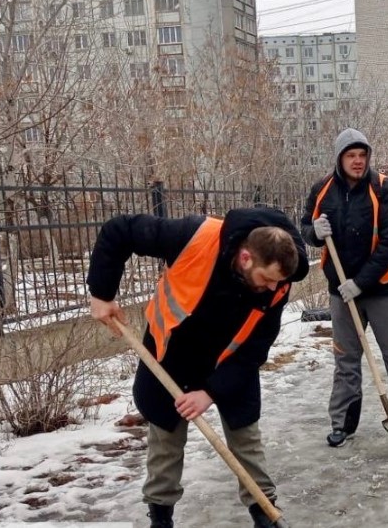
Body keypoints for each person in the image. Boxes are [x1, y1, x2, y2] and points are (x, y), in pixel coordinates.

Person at [87, 207, 309, 528]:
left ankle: (264, 512)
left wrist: (212, 391)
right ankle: (160, 516)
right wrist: (102, 292)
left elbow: (255, 348)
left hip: (230, 360)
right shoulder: (193, 236)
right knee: (165, 437)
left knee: (245, 435)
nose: (273, 289)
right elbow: (119, 230)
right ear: (245, 258)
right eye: (267, 279)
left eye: (279, 282)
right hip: (172, 352)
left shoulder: (281, 278)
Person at [301, 127, 388, 447]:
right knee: (345, 359)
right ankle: (343, 424)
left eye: (362, 155)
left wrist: (360, 283)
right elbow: (305, 227)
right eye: (351, 155)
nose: (358, 161)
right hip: (340, 291)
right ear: (339, 158)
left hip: (383, 290)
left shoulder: (385, 189)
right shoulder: (322, 189)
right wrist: (313, 233)